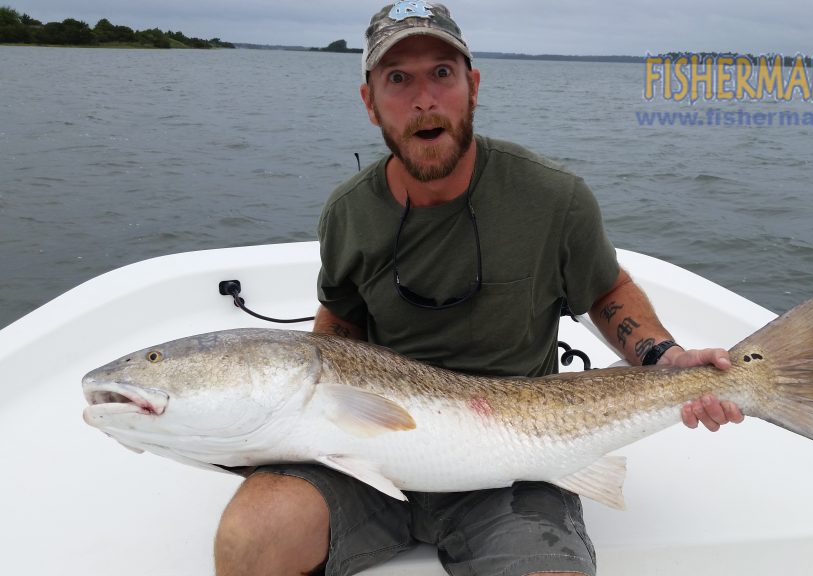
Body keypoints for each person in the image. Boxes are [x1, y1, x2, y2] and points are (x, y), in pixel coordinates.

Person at [213, 3, 744, 576]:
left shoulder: (553, 197)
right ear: (370, 102)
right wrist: (305, 426)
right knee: (249, 541)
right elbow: (339, 326)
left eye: (443, 72)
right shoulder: (349, 213)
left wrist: (665, 358)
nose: (424, 99)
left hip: (517, 458)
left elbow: (605, 289)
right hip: (369, 455)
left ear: (473, 86)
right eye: (398, 78)